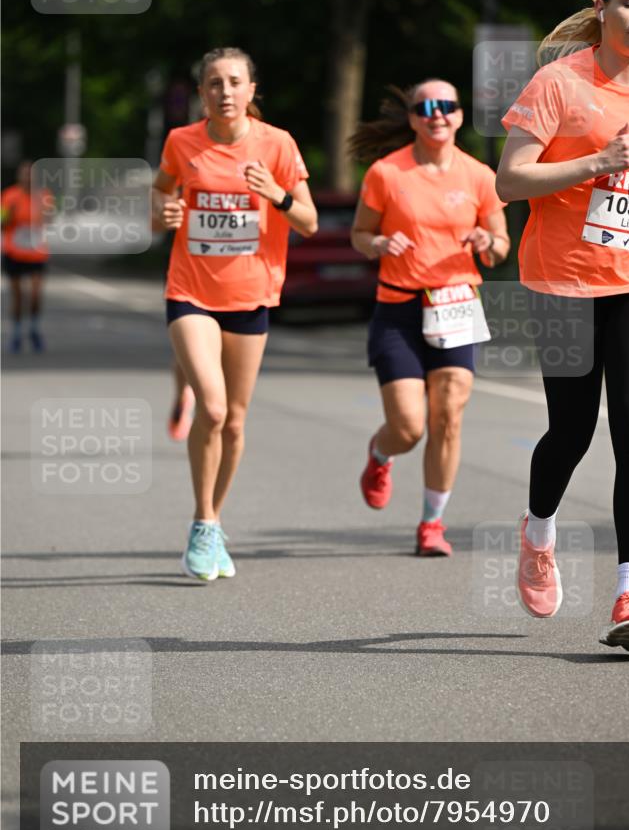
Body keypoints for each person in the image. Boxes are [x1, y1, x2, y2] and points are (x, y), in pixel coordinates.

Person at [496, 0, 629, 654]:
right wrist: (595, 162)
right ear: (601, 8)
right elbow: (509, 180)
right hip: (562, 279)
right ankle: (538, 532)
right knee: (571, 431)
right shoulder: (557, 84)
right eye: (628, 4)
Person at [152, 46, 317, 582]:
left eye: (235, 82)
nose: (225, 92)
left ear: (252, 91)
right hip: (191, 292)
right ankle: (201, 523)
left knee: (237, 420)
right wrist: (165, 213)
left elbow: (310, 222)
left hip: (252, 295)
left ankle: (216, 520)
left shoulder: (278, 145)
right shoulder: (182, 143)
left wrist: (277, 195)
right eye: (214, 84)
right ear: (202, 94)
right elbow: (159, 203)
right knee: (216, 410)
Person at [349, 80, 510, 556]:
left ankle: (432, 524)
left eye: (447, 106)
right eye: (426, 107)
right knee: (409, 426)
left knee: (450, 416)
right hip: (398, 307)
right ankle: (381, 455)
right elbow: (360, 233)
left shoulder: (480, 175)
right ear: (414, 118)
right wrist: (377, 244)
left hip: (457, 303)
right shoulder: (386, 173)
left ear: (460, 116)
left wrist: (488, 243)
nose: (437, 114)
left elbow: (501, 245)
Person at [1, 160, 53, 352]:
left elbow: (49, 218)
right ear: (19, 176)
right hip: (14, 251)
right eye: (25, 174)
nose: (28, 178)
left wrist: (47, 214)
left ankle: (34, 329)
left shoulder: (44, 195)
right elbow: (1, 222)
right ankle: (15, 334)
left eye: (31, 175)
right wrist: (8, 215)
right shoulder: (9, 196)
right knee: (17, 296)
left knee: (35, 294)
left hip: (36, 252)